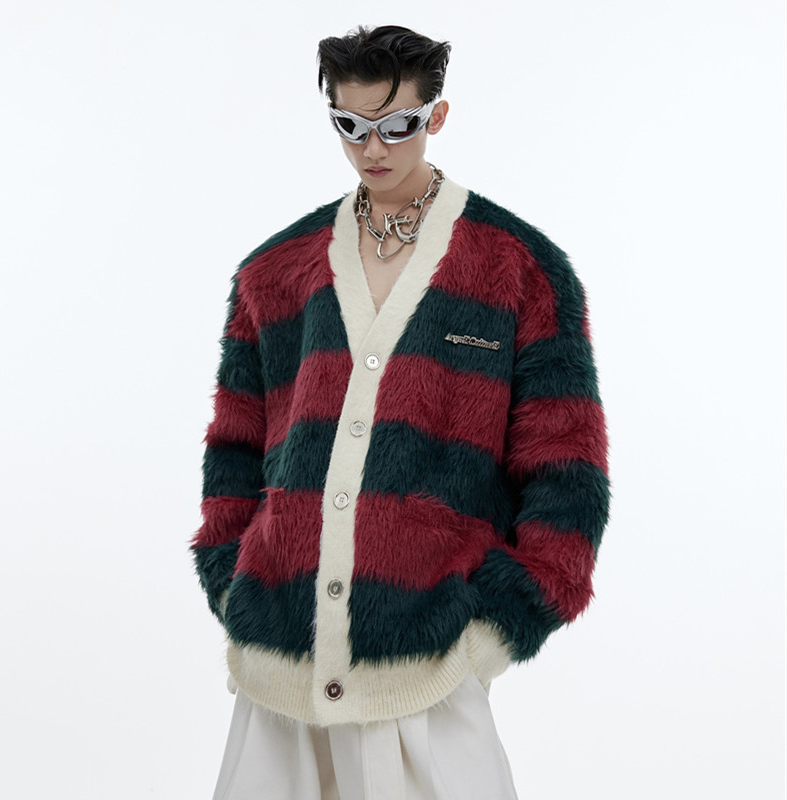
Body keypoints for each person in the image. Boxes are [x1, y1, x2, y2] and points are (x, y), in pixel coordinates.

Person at [192, 24, 610, 800]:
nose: (373, 148)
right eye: (350, 126)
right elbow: (233, 453)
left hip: (430, 668)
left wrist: (490, 636)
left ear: (436, 116)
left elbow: (567, 475)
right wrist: (233, 588)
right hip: (279, 669)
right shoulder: (273, 272)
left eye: (396, 125)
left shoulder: (520, 269)